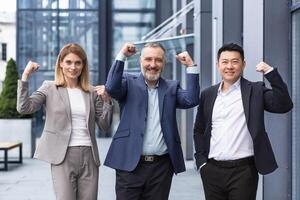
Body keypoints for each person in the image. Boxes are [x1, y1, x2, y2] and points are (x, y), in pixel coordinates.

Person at [194, 43, 293, 200]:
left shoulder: (255, 90)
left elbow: (284, 105)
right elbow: (199, 129)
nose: (230, 66)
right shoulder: (208, 94)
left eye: (235, 61)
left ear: (243, 64)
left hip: (244, 171)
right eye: (225, 62)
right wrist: (201, 162)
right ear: (218, 65)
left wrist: (270, 72)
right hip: (212, 170)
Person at [103, 42, 200, 200]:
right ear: (140, 60)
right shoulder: (128, 82)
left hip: (161, 168)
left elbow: (191, 99)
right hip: (129, 165)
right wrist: (121, 56)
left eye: (158, 60)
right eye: (148, 59)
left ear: (164, 63)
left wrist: (191, 66)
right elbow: (111, 88)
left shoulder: (171, 87)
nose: (153, 65)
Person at [17, 43, 113, 200]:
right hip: (62, 155)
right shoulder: (49, 88)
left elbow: (104, 126)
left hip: (89, 155)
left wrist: (107, 101)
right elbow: (24, 107)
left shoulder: (91, 91)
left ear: (83, 65)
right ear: (60, 63)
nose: (73, 67)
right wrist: (25, 76)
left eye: (77, 63)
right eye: (68, 62)